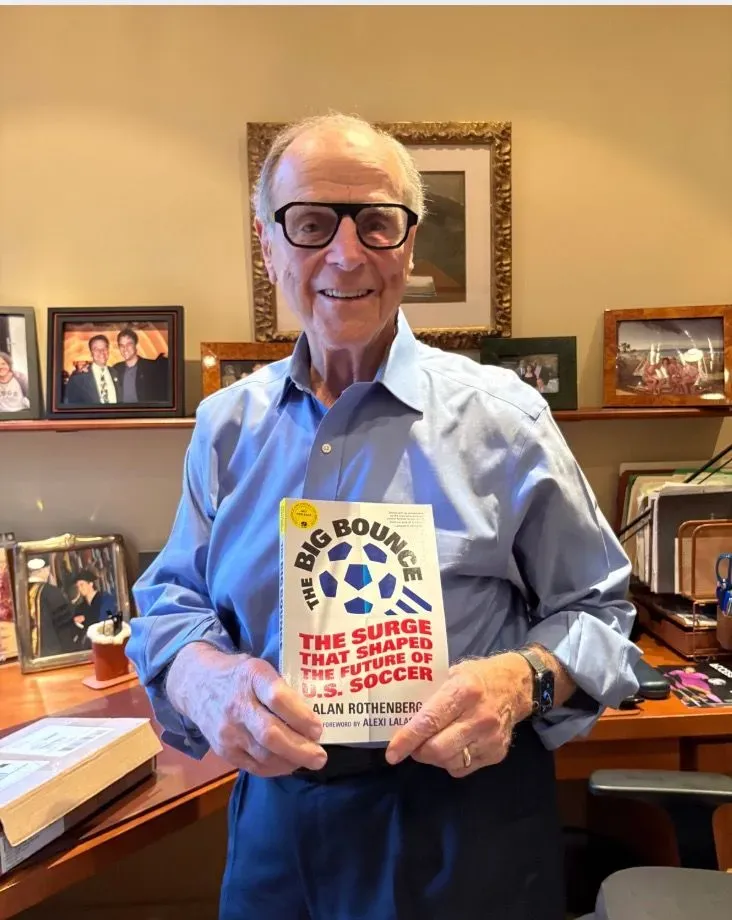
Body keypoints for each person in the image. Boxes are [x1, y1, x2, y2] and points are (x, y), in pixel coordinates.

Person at [127, 113, 640, 920]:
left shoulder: (504, 419)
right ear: (268, 246)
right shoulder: (225, 428)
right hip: (279, 828)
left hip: (466, 825)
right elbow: (170, 602)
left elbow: (602, 613)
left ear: (408, 246)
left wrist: (521, 679)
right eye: (310, 222)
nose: (346, 253)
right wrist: (199, 676)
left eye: (376, 222)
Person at [26, 556, 76, 657]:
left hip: (28, 655)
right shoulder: (51, 592)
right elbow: (65, 625)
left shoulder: (19, 594)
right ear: (46, 570)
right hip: (51, 653)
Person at [112, 327, 169, 403]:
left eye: (129, 344)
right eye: (121, 345)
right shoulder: (116, 368)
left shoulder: (151, 367)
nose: (125, 348)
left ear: (136, 345)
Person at [64, 334, 122, 405]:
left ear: (108, 351)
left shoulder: (116, 373)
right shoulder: (78, 378)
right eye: (96, 349)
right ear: (91, 353)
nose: (101, 352)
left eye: (104, 348)